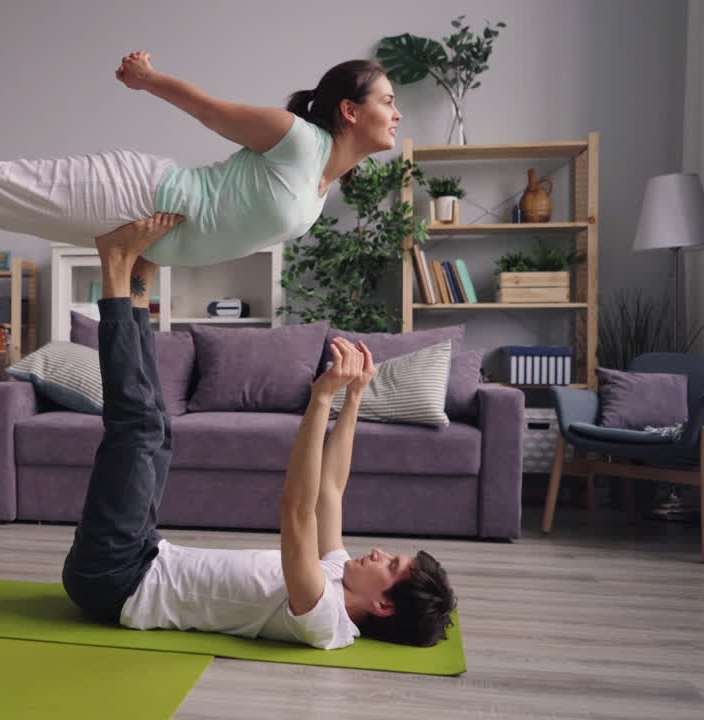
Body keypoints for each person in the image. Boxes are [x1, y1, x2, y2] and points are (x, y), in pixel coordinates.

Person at [63, 213, 455, 650]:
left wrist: (321, 399)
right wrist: (354, 398)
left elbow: (297, 510)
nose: (381, 554)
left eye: (391, 566)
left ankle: (114, 262)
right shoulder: (336, 575)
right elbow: (330, 490)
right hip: (144, 553)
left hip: (114, 579)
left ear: (383, 606)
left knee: (138, 429)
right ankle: (138, 285)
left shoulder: (324, 617)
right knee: (157, 430)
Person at [0, 53, 400, 268]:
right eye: (389, 101)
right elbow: (208, 110)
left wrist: (147, 262)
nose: (397, 114)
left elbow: (223, 228)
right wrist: (147, 78)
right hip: (137, 193)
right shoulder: (298, 140)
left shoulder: (321, 189)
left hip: (141, 232)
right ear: (349, 110)